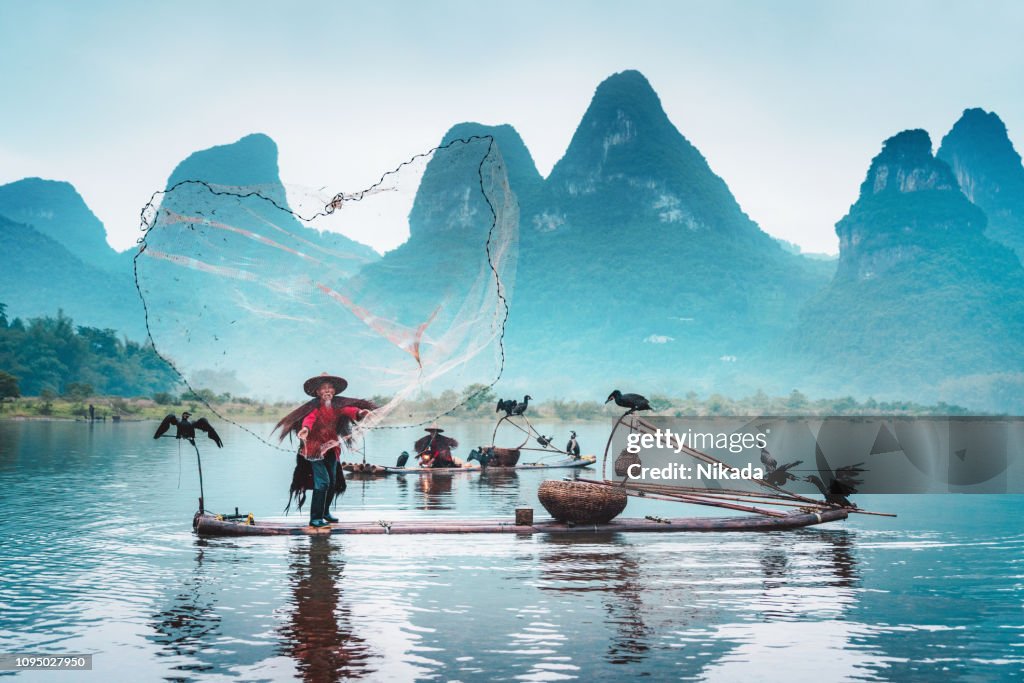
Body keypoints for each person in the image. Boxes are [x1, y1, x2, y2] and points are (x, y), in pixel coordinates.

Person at [274, 373, 376, 527]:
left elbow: (350, 410)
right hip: (313, 450)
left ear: (334, 392)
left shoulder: (337, 406)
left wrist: (361, 413)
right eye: (323, 388)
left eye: (330, 388)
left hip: (332, 449)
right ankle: (315, 519)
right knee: (322, 483)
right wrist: (306, 430)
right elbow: (309, 419)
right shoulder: (314, 407)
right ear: (317, 392)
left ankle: (325, 513)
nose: (327, 391)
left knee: (333, 482)